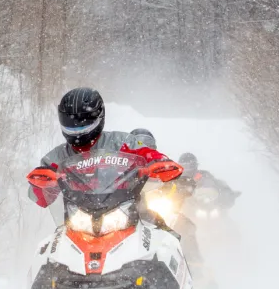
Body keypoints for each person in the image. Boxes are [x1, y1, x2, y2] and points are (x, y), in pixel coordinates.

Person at [28, 88, 174, 208]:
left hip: (125, 211)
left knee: (164, 234)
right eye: (71, 127)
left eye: (83, 126)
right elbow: (40, 198)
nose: (77, 132)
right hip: (78, 218)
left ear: (99, 117)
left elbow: (147, 153)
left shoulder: (121, 142)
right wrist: (42, 182)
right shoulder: (57, 157)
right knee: (49, 244)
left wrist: (159, 163)